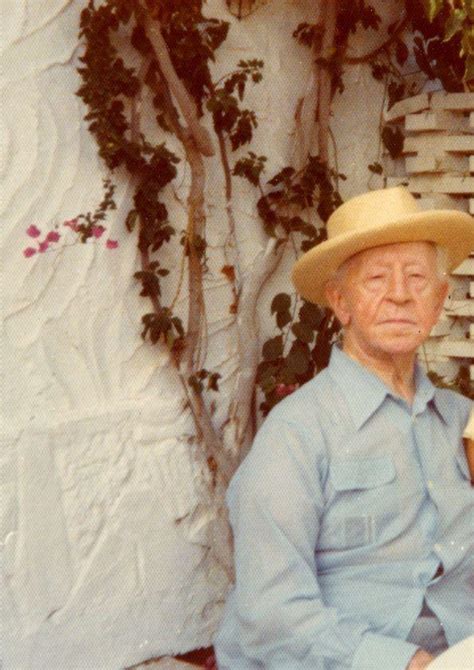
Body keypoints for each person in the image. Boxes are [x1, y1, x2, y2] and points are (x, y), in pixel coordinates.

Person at [214, 187, 474, 670]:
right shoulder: (296, 433)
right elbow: (271, 615)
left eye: (417, 278)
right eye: (377, 278)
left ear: (438, 303)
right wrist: (404, 664)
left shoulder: (461, 423)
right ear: (340, 301)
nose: (400, 293)